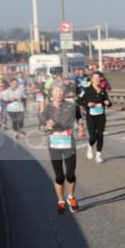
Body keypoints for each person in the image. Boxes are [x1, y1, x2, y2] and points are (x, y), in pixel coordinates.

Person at [40, 83, 84, 214]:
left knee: (70, 174)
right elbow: (41, 126)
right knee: (59, 176)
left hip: (69, 144)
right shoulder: (47, 109)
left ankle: (71, 197)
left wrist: (81, 127)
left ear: (64, 94)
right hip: (54, 145)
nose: (58, 94)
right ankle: (61, 201)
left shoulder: (71, 106)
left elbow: (79, 117)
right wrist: (47, 126)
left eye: (61, 92)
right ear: (52, 94)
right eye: (56, 92)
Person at [79, 71, 112, 163]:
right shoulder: (86, 90)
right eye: (95, 78)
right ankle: (90, 146)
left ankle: (98, 155)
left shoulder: (102, 91)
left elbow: (107, 101)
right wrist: (87, 104)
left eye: (98, 78)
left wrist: (108, 103)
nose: (97, 80)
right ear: (92, 79)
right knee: (93, 137)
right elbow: (79, 101)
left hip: (101, 116)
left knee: (100, 135)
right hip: (91, 116)